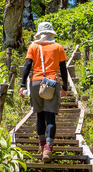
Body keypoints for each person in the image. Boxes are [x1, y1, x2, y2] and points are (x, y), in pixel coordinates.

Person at [19, 21, 69, 162]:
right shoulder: (58, 47)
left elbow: (27, 65)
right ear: (51, 33)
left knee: (39, 115)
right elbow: (63, 69)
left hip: (35, 83)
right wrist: (65, 88)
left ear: (39, 34)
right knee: (50, 117)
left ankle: (41, 145)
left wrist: (23, 85)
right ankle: (48, 148)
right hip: (52, 84)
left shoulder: (33, 46)